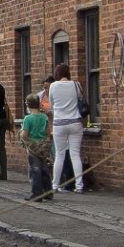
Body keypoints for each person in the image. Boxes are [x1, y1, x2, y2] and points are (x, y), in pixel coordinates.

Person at [49, 62, 86, 193]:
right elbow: (81, 98)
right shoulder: (76, 84)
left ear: (57, 73)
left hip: (59, 123)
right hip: (75, 122)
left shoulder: (53, 86)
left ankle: (54, 185)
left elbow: (52, 105)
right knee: (75, 154)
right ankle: (79, 186)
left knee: (59, 155)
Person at [20, 92, 53, 202]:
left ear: (27, 104)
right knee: (45, 169)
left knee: (35, 170)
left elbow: (24, 135)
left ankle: (37, 193)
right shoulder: (44, 117)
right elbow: (48, 132)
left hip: (33, 148)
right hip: (43, 147)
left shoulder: (28, 119)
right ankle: (48, 192)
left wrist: (21, 133)